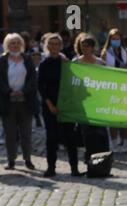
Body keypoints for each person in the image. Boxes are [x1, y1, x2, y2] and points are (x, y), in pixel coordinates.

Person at [38, 34, 81, 177]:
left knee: (70, 137)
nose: (55, 46)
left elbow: (74, 83)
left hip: (66, 105)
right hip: (50, 105)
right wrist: (50, 104)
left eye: (57, 44)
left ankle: (74, 167)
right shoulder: (44, 64)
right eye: (52, 44)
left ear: (61, 46)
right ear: (48, 46)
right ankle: (51, 167)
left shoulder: (66, 63)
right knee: (51, 137)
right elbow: (41, 87)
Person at [0, 33, 38, 171]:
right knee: (10, 133)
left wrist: (23, 91)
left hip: (25, 101)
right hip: (8, 102)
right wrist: (9, 91)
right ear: (7, 45)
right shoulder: (2, 60)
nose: (14, 45)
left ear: (21, 44)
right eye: (11, 43)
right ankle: (11, 160)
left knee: (26, 133)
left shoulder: (27, 59)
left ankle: (27, 158)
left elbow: (33, 79)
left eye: (17, 43)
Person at [73, 34, 111, 165]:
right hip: (83, 101)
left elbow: (106, 81)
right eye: (83, 46)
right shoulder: (76, 62)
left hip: (97, 100)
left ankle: (103, 156)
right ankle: (89, 156)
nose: (85, 49)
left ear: (92, 48)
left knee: (100, 130)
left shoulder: (100, 63)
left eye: (87, 46)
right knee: (86, 130)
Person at [101, 28, 127, 153]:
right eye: (113, 39)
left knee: (126, 116)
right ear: (110, 40)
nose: (116, 41)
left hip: (126, 87)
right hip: (112, 87)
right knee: (113, 117)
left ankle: (125, 142)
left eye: (117, 39)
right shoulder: (105, 53)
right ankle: (114, 143)